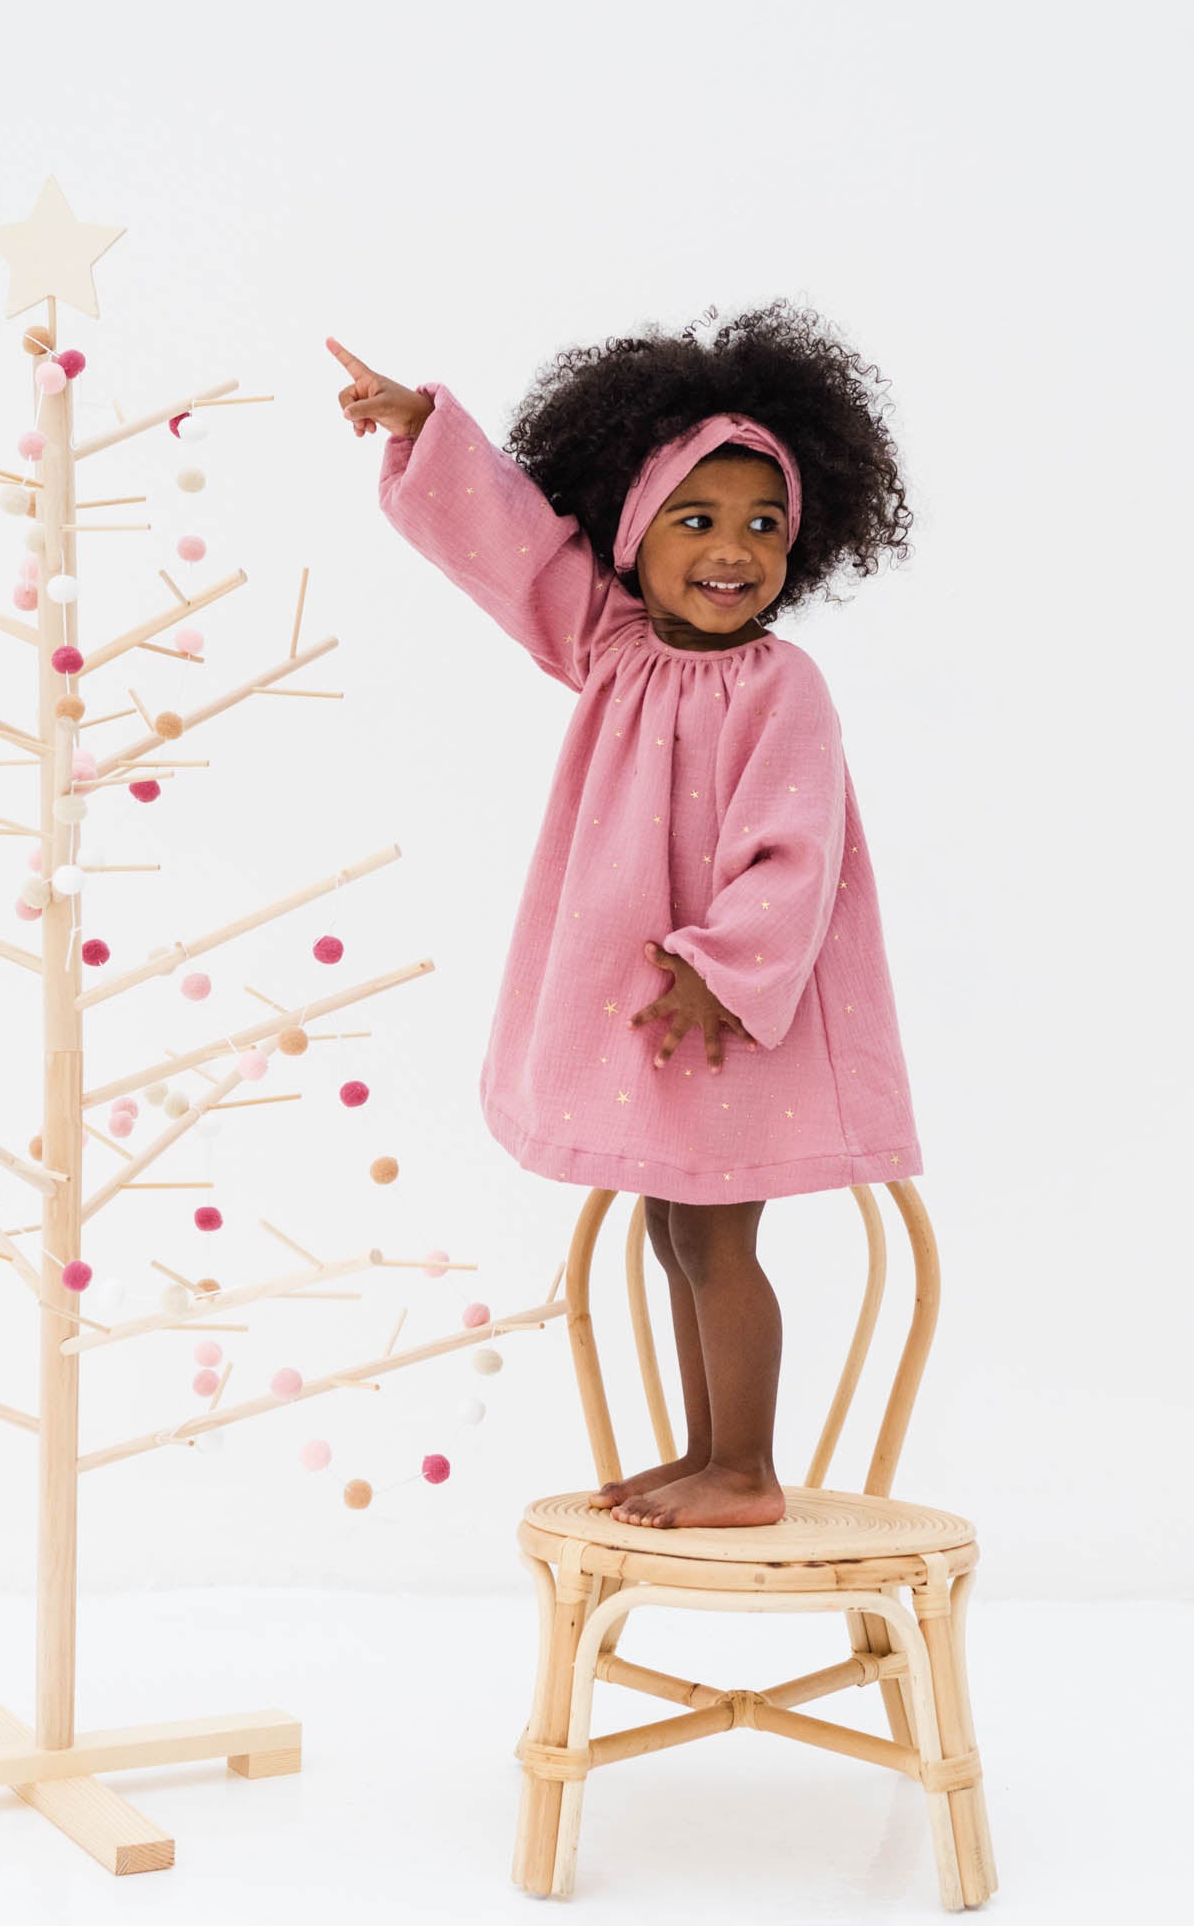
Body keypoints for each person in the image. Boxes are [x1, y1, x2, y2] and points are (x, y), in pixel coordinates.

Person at [327, 303, 923, 1531]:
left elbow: (794, 853)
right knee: (672, 1233)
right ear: (633, 537)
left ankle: (746, 1469)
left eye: (764, 524)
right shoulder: (608, 642)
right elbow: (519, 553)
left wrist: (724, 966)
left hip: (727, 1020)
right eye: (695, 521)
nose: (732, 549)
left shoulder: (781, 686)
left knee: (717, 1242)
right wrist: (428, 429)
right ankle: (709, 1451)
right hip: (656, 1019)